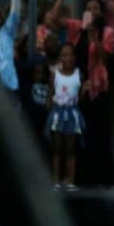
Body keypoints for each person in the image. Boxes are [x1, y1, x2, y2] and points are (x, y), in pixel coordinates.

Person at [74, 12, 114, 187]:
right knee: (85, 132)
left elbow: (105, 57)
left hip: (100, 88)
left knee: (101, 132)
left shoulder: (107, 34)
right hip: (83, 88)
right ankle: (85, 177)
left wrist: (94, 38)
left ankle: (103, 177)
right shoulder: (79, 35)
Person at [45, 43, 88, 190]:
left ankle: (70, 180)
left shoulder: (78, 74)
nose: (67, 58)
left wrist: (84, 90)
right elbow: (50, 94)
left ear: (75, 57)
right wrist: (49, 110)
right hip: (57, 113)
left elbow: (80, 97)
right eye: (64, 55)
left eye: (70, 54)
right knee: (57, 147)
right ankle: (56, 179)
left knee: (71, 148)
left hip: (73, 113)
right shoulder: (54, 74)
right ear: (59, 58)